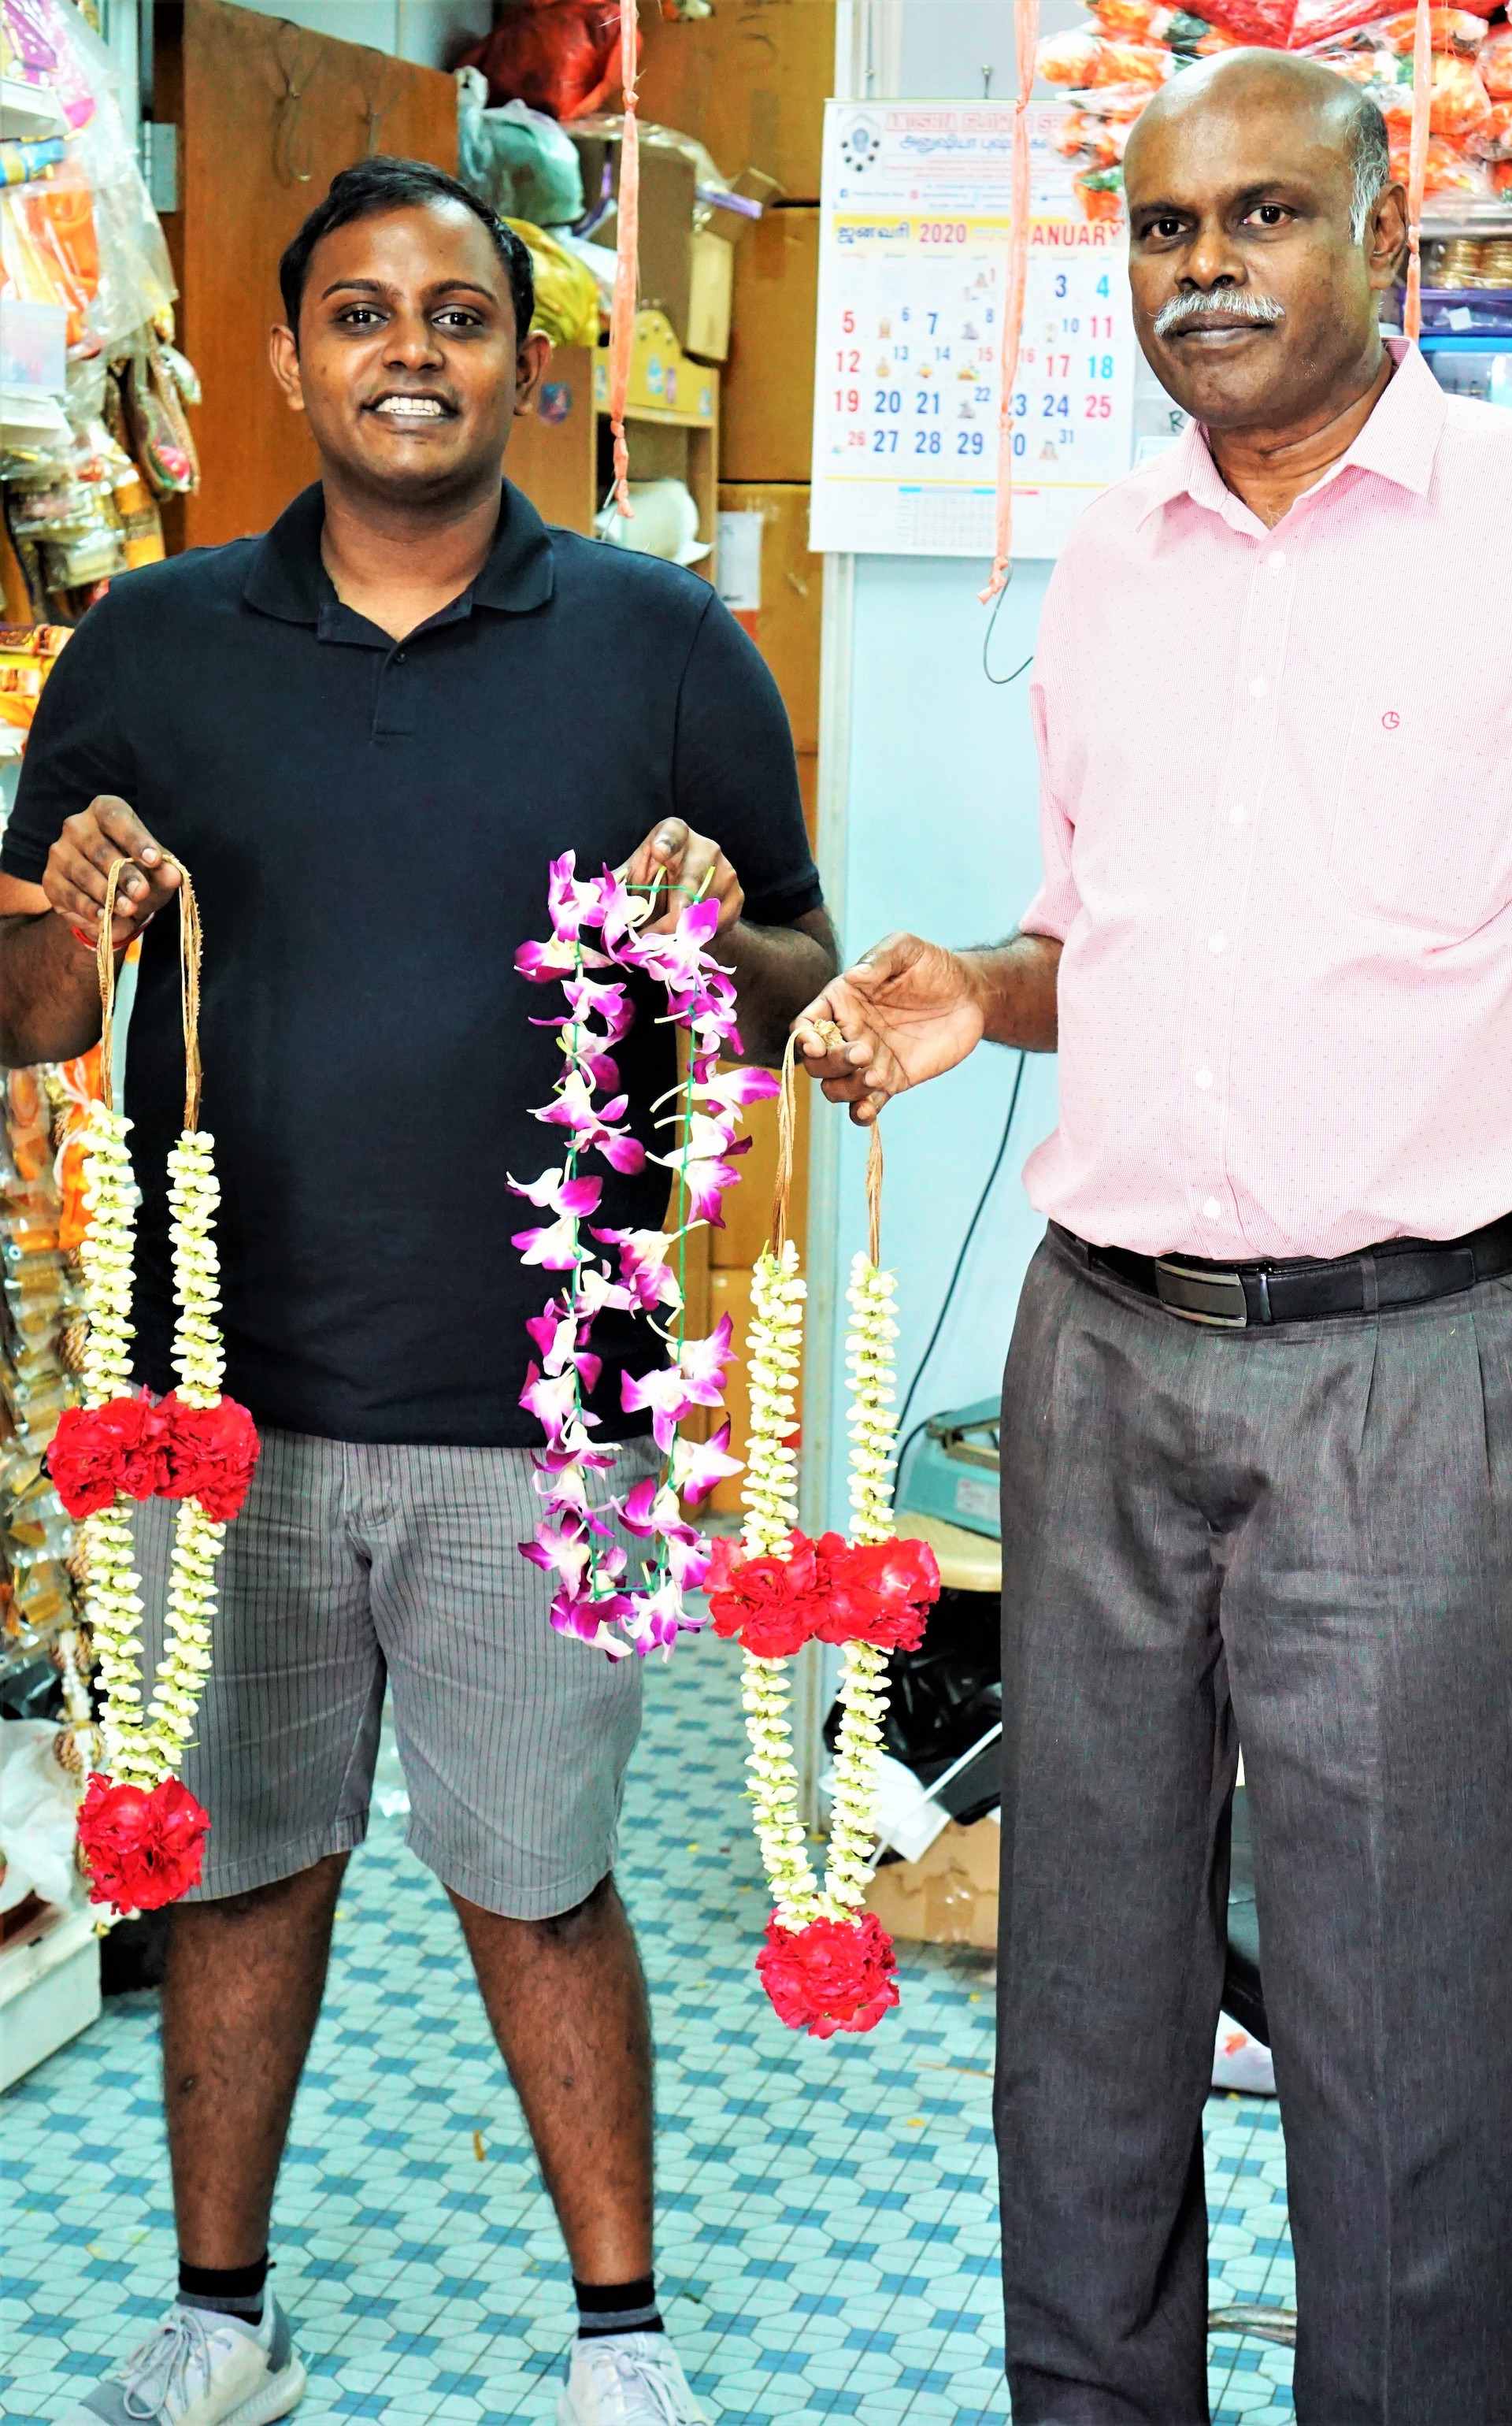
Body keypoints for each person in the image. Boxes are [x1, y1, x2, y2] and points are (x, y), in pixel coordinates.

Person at [797, 52, 1512, 2426]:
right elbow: (1097, 949)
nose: (1202, 267)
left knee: (1409, 2020)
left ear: (1383, 230)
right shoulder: (1111, 564)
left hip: (1399, 1378)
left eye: (1260, 218)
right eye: (1162, 228)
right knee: (1086, 2013)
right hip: (1101, 1358)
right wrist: (966, 991)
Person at [0, 158, 835, 2426]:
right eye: (359, 313)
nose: (409, 353)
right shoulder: (150, 645)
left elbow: (800, 982)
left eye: (457, 316)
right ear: (286, 359)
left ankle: (621, 2346)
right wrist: (63, 915)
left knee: (540, 1879)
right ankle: (215, 2317)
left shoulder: (670, 648)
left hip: (554, 1401)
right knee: (244, 1871)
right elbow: (35, 1012)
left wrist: (704, 926)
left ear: (524, 359)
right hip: (220, 1403)